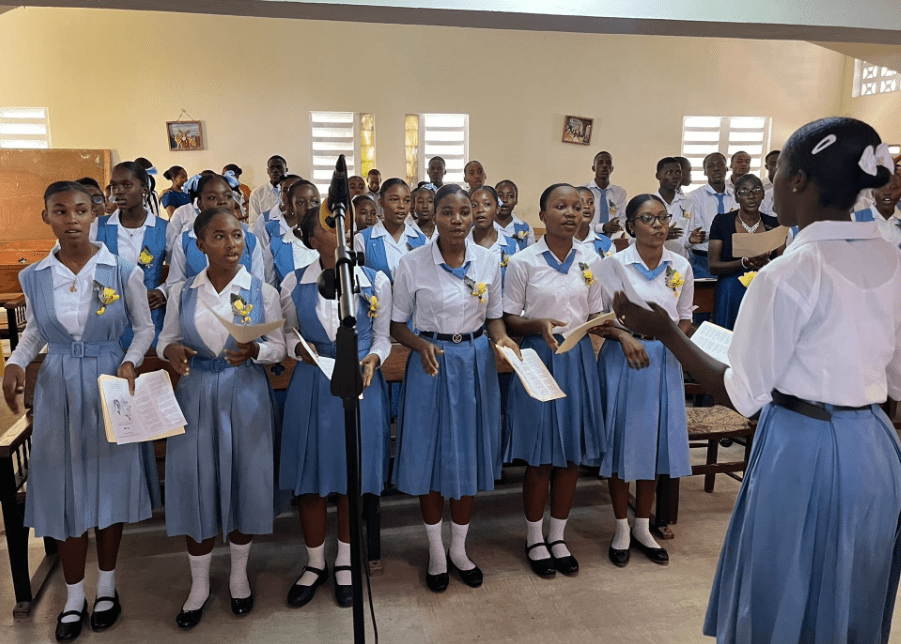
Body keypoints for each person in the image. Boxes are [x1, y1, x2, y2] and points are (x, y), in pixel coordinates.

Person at [610, 117, 901, 644]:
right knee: (850, 586)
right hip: (876, 448)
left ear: (797, 181)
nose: (769, 185)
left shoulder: (791, 270)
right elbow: (897, 377)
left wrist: (664, 332)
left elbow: (743, 393)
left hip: (803, 445)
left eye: (779, 169)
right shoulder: (891, 255)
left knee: (783, 587)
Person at [3, 181, 159, 642]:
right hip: (59, 388)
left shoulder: (122, 268)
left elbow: (144, 327)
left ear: (95, 214)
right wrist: (14, 362)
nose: (71, 218)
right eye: (60, 210)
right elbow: (34, 334)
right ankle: (74, 596)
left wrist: (129, 359)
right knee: (64, 491)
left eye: (80, 210)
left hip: (110, 381)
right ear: (45, 215)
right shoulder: (34, 276)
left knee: (110, 486)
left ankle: (107, 587)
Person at [158, 207, 285, 628]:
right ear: (199, 245)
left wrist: (256, 351)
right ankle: (198, 585)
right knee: (197, 482)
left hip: (244, 392)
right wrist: (170, 353)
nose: (231, 244)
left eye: (237, 236)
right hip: (195, 395)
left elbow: (279, 347)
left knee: (243, 479)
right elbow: (166, 341)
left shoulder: (260, 291)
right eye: (219, 237)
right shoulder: (183, 293)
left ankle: (237, 576)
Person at [391, 184, 520, 592]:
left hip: (475, 364)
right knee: (431, 456)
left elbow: (495, 316)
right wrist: (420, 343)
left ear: (475, 214)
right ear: (433, 215)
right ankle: (435, 550)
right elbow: (396, 324)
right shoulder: (412, 263)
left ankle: (460, 549)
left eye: (465, 211)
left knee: (466, 457)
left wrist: (503, 339)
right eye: (448, 212)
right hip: (431, 363)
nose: (457, 220)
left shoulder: (489, 260)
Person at [280, 203, 391, 608]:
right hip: (313, 384)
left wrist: (374, 358)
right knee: (310, 480)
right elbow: (286, 335)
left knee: (351, 478)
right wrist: (299, 351)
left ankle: (344, 560)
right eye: (330, 224)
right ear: (312, 239)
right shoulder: (294, 282)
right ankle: (314, 563)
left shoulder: (374, 280)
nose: (342, 228)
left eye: (345, 222)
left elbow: (382, 335)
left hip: (359, 381)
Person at [503, 183, 606, 579]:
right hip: (538, 357)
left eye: (577, 208)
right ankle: (533, 536)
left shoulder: (590, 258)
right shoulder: (523, 262)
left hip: (577, 357)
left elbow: (595, 312)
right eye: (559, 206)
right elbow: (509, 316)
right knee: (540, 456)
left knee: (571, 454)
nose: (569, 213)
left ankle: (558, 535)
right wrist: (537, 324)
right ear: (542, 216)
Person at [593, 194, 694, 568]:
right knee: (623, 446)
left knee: (652, 447)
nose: (657, 225)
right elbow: (599, 317)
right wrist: (624, 336)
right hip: (624, 360)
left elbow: (684, 316)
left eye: (662, 217)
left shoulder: (680, 265)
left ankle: (643, 525)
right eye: (647, 218)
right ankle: (620, 526)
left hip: (663, 361)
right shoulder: (614, 265)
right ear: (630, 225)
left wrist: (672, 339)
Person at [96, 161, 169, 344]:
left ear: (144, 189)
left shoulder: (164, 229)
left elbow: (180, 274)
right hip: (109, 318)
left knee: (149, 368)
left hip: (150, 314)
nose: (118, 191)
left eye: (127, 185)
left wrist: (162, 292)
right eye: (114, 186)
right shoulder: (97, 228)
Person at [707, 174, 782, 330]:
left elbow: (782, 265)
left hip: (764, 289)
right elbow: (713, 266)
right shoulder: (722, 222)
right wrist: (744, 262)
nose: (751, 196)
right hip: (730, 290)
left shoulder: (773, 223)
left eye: (756, 190)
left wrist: (766, 262)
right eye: (744, 191)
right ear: (736, 197)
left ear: (763, 194)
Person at [166, 174, 265, 290]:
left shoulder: (250, 241)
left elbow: (258, 286)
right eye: (212, 198)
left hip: (240, 307)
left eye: (228, 196)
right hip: (198, 306)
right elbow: (175, 286)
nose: (222, 202)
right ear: (200, 204)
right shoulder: (185, 241)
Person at [353, 178, 427, 282]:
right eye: (394, 199)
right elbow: (357, 279)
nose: (401, 206)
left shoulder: (422, 241)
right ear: (381, 202)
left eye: (406, 201)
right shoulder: (363, 239)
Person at [683, 152, 736, 279]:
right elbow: (699, 232)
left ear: (726, 169)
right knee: (704, 297)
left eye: (720, 165)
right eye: (711, 166)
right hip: (703, 259)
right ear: (705, 172)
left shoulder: (736, 196)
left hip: (732, 259)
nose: (716, 168)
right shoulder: (693, 197)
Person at [261, 179, 320, 287]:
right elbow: (270, 289)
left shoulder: (332, 242)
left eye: (315, 202)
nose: (309, 207)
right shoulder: (276, 247)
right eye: (301, 203)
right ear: (291, 208)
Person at [468, 185, 518, 281]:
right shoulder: (461, 244)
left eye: (487, 204)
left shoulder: (511, 246)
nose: (480, 210)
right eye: (474, 205)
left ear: (497, 209)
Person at [581, 150, 627, 240]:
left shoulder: (620, 193)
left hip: (612, 242)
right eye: (600, 163)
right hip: (586, 240)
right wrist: (603, 227)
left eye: (608, 163)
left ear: (612, 168)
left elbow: (623, 219)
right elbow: (579, 220)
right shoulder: (582, 191)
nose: (604, 166)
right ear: (593, 168)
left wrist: (617, 226)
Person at [852, 172, 901, 246]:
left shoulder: (898, 224)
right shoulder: (854, 219)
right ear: (872, 192)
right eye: (882, 187)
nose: (887, 192)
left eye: (893, 188)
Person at [654, 157, 690, 257]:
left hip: (681, 260)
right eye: (669, 172)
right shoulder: (648, 203)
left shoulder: (688, 203)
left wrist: (691, 239)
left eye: (678, 173)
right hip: (655, 260)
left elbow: (687, 238)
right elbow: (634, 238)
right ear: (658, 176)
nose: (675, 177)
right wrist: (662, 235)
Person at [496, 180, 535, 251]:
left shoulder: (525, 229)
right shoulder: (485, 226)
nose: (504, 200)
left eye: (510, 196)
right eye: (500, 196)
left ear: (516, 200)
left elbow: (530, 257)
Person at [574, 186, 613, 257]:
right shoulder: (559, 242)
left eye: (590, 202)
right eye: (581, 202)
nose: (586, 206)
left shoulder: (606, 243)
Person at [249, 155, 288, 222]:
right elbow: (254, 222)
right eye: (272, 167)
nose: (275, 170)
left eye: (279, 167)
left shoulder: (293, 191)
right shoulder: (257, 193)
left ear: (286, 170)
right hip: (266, 232)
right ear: (267, 171)